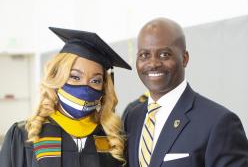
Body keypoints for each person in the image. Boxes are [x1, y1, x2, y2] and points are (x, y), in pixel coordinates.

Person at [124, 17, 248, 167]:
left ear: (184, 58)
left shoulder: (219, 122)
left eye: (164, 54)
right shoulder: (132, 118)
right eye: (144, 55)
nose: (153, 63)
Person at [0, 27, 131, 167]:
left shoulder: (112, 139)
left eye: (96, 81)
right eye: (75, 77)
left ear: (104, 87)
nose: (86, 87)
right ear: (57, 79)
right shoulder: (25, 135)